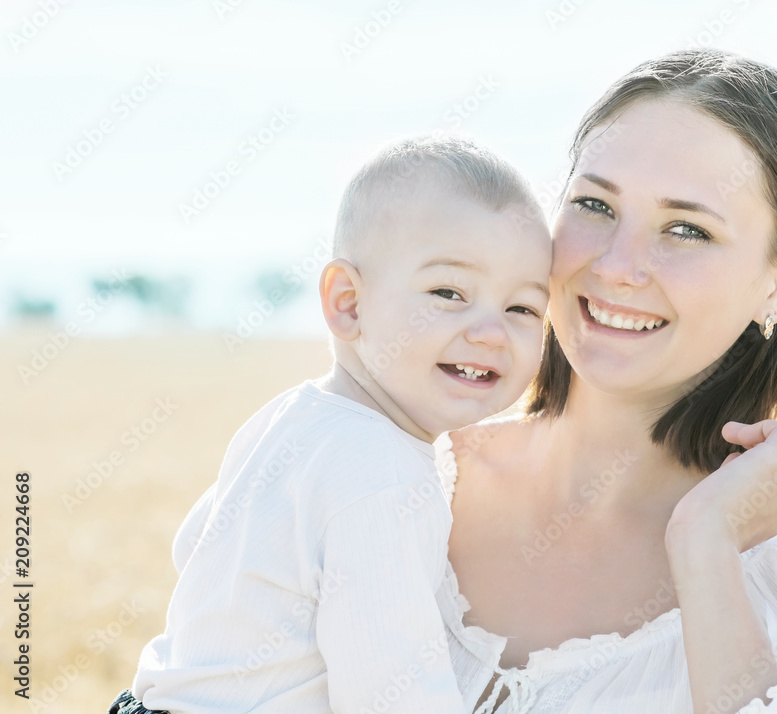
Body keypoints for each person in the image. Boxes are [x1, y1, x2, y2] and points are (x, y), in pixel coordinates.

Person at [438, 50, 777, 713]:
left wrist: (707, 550)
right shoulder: (394, 481)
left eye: (687, 229)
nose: (617, 264)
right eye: (596, 205)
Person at [108, 136, 553, 713]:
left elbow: (193, 545)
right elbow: (393, 695)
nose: (491, 331)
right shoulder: (385, 473)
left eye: (522, 308)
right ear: (348, 303)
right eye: (449, 292)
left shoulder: (291, 415)